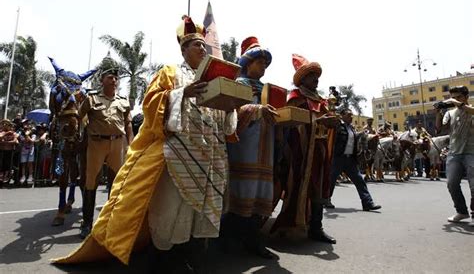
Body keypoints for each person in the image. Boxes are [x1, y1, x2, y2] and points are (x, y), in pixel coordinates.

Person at [54, 16, 237, 268]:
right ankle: (163, 257)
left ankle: (187, 255)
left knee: (197, 212)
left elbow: (223, 120)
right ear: (183, 49)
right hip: (178, 155)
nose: (202, 49)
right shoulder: (170, 72)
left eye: (203, 46)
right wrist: (181, 93)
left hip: (208, 156)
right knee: (171, 210)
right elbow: (151, 104)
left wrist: (229, 107)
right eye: (196, 45)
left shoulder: (213, 79)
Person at [271, 54, 338, 244]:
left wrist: (332, 123)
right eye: (312, 76)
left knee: (319, 187)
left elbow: (325, 122)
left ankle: (316, 228)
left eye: (317, 76)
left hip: (319, 151)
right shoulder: (295, 97)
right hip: (300, 151)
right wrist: (318, 121)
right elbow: (291, 124)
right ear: (302, 79)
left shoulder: (321, 100)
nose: (317, 80)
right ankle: (290, 223)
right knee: (297, 186)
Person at [220, 36, 277, 259]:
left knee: (258, 193)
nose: (263, 66)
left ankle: (252, 239)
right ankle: (229, 238)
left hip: (265, 147)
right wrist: (256, 110)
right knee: (240, 191)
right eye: (259, 62)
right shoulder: (238, 84)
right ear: (247, 63)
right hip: (243, 147)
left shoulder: (268, 89)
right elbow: (230, 111)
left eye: (265, 63)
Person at [78, 67, 133, 238]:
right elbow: (79, 117)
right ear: (102, 81)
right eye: (110, 77)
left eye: (116, 78)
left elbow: (128, 123)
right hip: (96, 143)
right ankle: (87, 223)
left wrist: (131, 144)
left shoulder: (123, 100)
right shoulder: (91, 98)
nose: (114, 80)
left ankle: (111, 221)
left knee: (116, 183)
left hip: (117, 143)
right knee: (91, 182)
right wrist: (83, 135)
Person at [435, 85, 474, 226]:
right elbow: (440, 128)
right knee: (451, 183)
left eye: (459, 97)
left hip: (471, 151)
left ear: (466, 97)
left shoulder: (471, 109)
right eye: (453, 98)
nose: (455, 100)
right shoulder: (450, 113)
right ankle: (462, 211)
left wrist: (460, 104)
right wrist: (438, 112)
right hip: (454, 152)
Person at [329, 109, 382, 211]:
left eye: (352, 115)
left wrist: (362, 134)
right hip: (338, 158)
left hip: (350, 160)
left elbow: (354, 139)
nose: (351, 117)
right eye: (349, 115)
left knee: (359, 180)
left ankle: (367, 203)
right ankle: (326, 200)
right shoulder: (338, 126)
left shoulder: (351, 128)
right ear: (342, 116)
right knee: (331, 180)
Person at [0, 119, 19, 185]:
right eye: (5, 125)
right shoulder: (2, 132)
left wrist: (4, 142)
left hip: (10, 152)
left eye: (8, 125)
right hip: (2, 151)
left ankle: (9, 177)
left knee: (9, 166)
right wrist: (6, 133)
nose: (6, 126)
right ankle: (2, 179)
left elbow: (15, 141)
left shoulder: (14, 133)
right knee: (2, 166)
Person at [18, 119, 36, 185]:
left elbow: (32, 141)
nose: (26, 125)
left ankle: (30, 176)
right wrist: (26, 134)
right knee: (23, 164)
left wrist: (28, 134)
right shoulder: (21, 133)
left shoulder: (33, 133)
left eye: (27, 124)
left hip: (31, 150)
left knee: (30, 163)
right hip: (24, 150)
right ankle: (23, 176)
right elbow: (24, 141)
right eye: (25, 124)